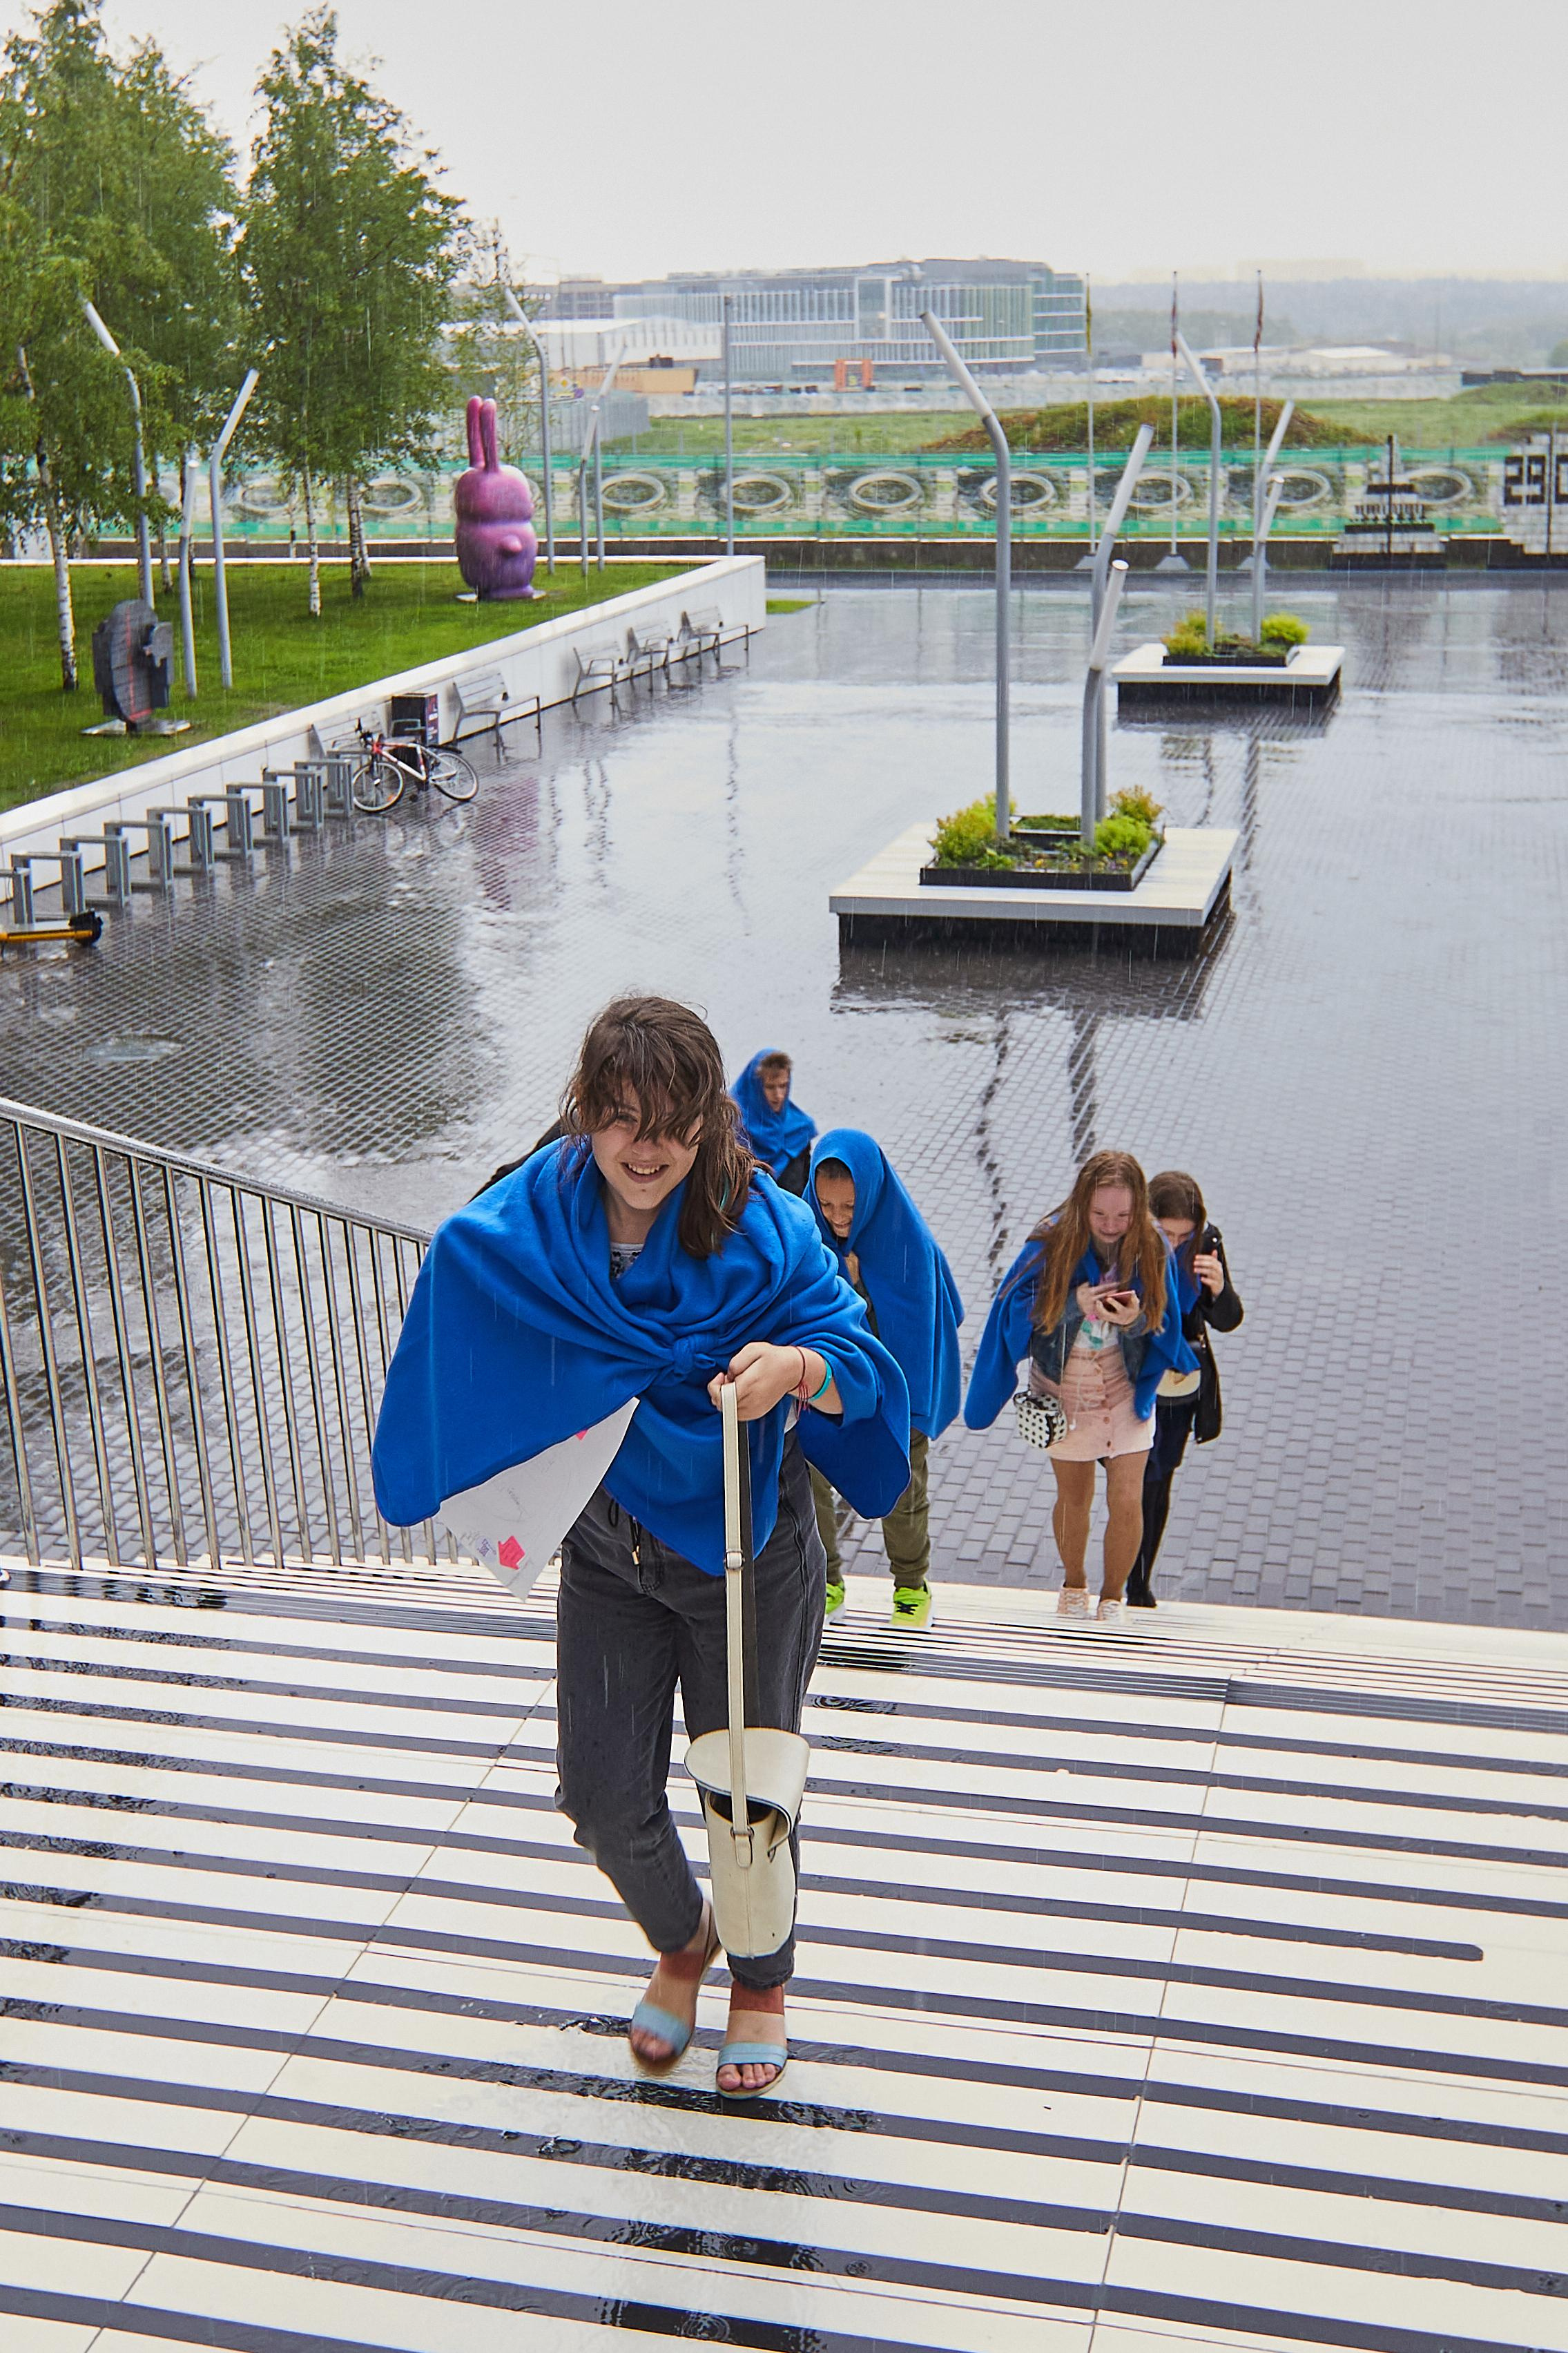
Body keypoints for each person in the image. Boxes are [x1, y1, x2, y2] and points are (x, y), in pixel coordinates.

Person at [372, 996, 909, 2100]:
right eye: (620, 1118)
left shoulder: (762, 1224)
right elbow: (464, 1261)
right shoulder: (542, 1211)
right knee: (600, 1793)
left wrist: (791, 1371)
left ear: (708, 1121)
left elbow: (853, 1348)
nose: (646, 1147)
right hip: (609, 1551)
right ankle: (685, 1935)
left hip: (743, 1553)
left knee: (746, 1796)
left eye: (671, 1120)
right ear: (584, 1114)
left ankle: (760, 1982)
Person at [963, 1150, 1196, 1625]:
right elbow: (1016, 1314)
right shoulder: (1052, 1240)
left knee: (1126, 1495)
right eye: (1099, 1215)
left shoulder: (1150, 1245)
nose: (1110, 1226)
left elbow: (1165, 1319)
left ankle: (1113, 1599)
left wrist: (1133, 1321)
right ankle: (1073, 1584)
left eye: (1123, 1216)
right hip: (1063, 1384)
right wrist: (1074, 1302)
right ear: (1081, 1205)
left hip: (1126, 1384)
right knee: (1073, 1496)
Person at [806, 1129, 965, 1631]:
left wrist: (856, 1286)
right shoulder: (808, 1234)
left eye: (849, 1205)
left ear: (872, 1193)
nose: (837, 1217)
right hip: (825, 1388)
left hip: (896, 1389)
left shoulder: (906, 1242)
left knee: (903, 1489)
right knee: (809, 1479)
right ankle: (825, 1580)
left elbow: (922, 1323)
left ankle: (912, 1586)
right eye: (826, 1204)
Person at [1127, 1170, 1244, 1609]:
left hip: (1181, 1388)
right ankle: (1119, 1577)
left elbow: (1228, 1319)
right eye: (1166, 1232)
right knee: (1134, 1480)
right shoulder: (1131, 1242)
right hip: (1134, 1380)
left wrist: (1219, 1289)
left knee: (1158, 1482)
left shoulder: (1207, 1244)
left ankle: (1139, 1583)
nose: (1174, 1243)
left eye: (1184, 1234)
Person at [731, 1050, 815, 1195]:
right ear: (755, 1087)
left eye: (783, 1086)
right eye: (770, 1087)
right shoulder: (730, 1126)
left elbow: (806, 1190)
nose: (779, 1095)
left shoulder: (799, 1129)